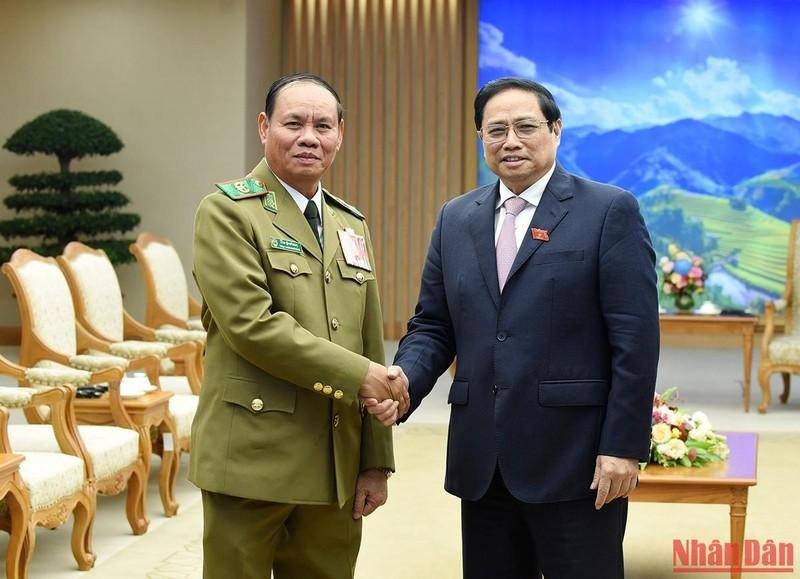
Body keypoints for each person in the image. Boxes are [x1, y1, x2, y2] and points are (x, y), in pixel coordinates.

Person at [377, 77, 660, 578]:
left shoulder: (608, 211)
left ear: (556, 131)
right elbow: (433, 325)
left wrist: (623, 446)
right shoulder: (456, 217)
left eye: (526, 127)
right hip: (482, 460)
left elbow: (634, 344)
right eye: (496, 130)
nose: (511, 141)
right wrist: (404, 382)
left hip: (576, 460)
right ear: (481, 139)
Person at [190, 73, 409, 579]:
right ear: (265, 128)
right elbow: (252, 326)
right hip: (251, 457)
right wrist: (362, 375)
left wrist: (376, 459)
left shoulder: (349, 223)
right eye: (294, 123)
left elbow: (367, 339)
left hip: (336, 463)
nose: (309, 136)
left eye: (323, 125)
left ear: (339, 135)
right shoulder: (227, 213)